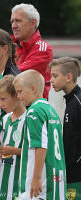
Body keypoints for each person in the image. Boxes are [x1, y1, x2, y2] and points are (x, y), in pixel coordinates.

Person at [0, 3, 53, 131]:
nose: (13, 25)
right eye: (12, 21)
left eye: (18, 21)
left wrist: (3, 68)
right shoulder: (8, 45)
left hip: (28, 121)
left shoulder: (43, 49)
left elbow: (11, 79)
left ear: (33, 23)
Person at [13, 70, 66, 199]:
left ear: (32, 89)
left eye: (20, 92)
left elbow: (41, 146)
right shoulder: (50, 110)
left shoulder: (33, 111)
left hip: (40, 181)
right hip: (56, 178)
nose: (18, 97)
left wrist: (36, 178)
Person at [49, 57, 81, 200]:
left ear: (68, 77)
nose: (51, 80)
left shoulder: (78, 101)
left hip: (77, 173)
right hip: (69, 171)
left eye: (55, 76)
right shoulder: (70, 100)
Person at [0, 75, 26, 200]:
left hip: (20, 182)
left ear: (17, 95)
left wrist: (13, 151)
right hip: (4, 180)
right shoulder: (5, 119)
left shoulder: (29, 119)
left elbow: (37, 152)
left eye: (3, 99)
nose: (0, 104)